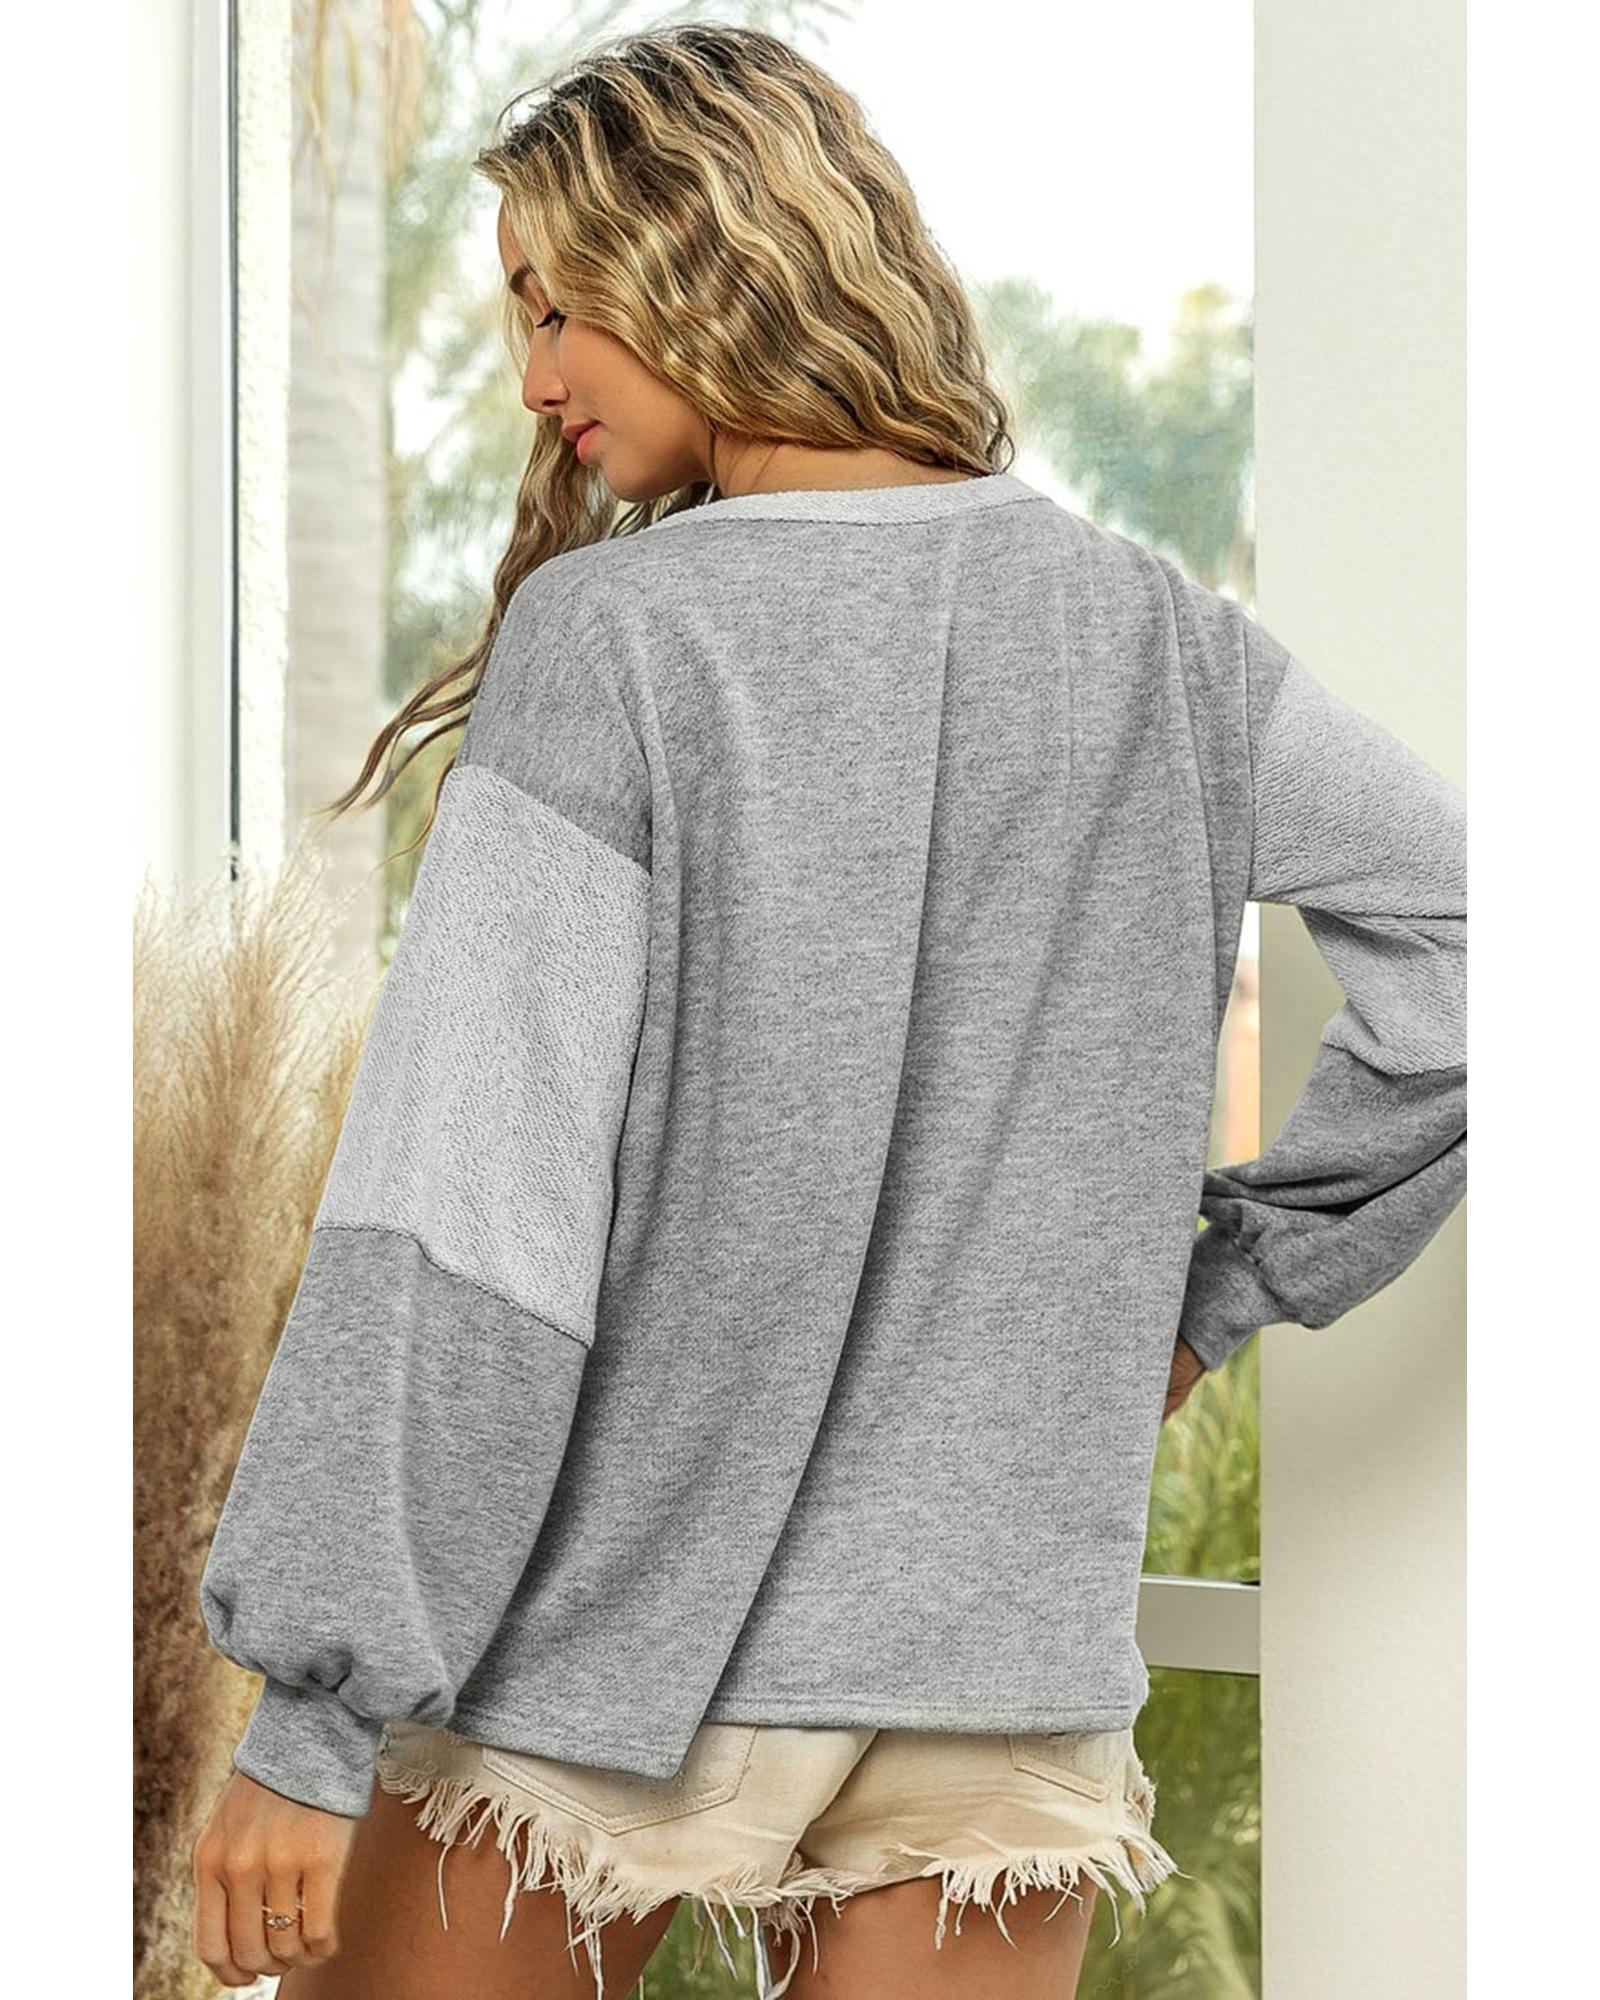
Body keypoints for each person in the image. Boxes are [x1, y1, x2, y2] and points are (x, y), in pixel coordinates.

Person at [188, 21, 1466, 2000]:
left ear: (697, 260)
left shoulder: (617, 641)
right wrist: (1202, 1297)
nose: (535, 379)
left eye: (557, 308)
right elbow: (1473, 943)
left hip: (597, 1623)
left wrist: (316, 1708)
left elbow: (465, 1215)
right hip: (990, 1657)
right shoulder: (1156, 639)